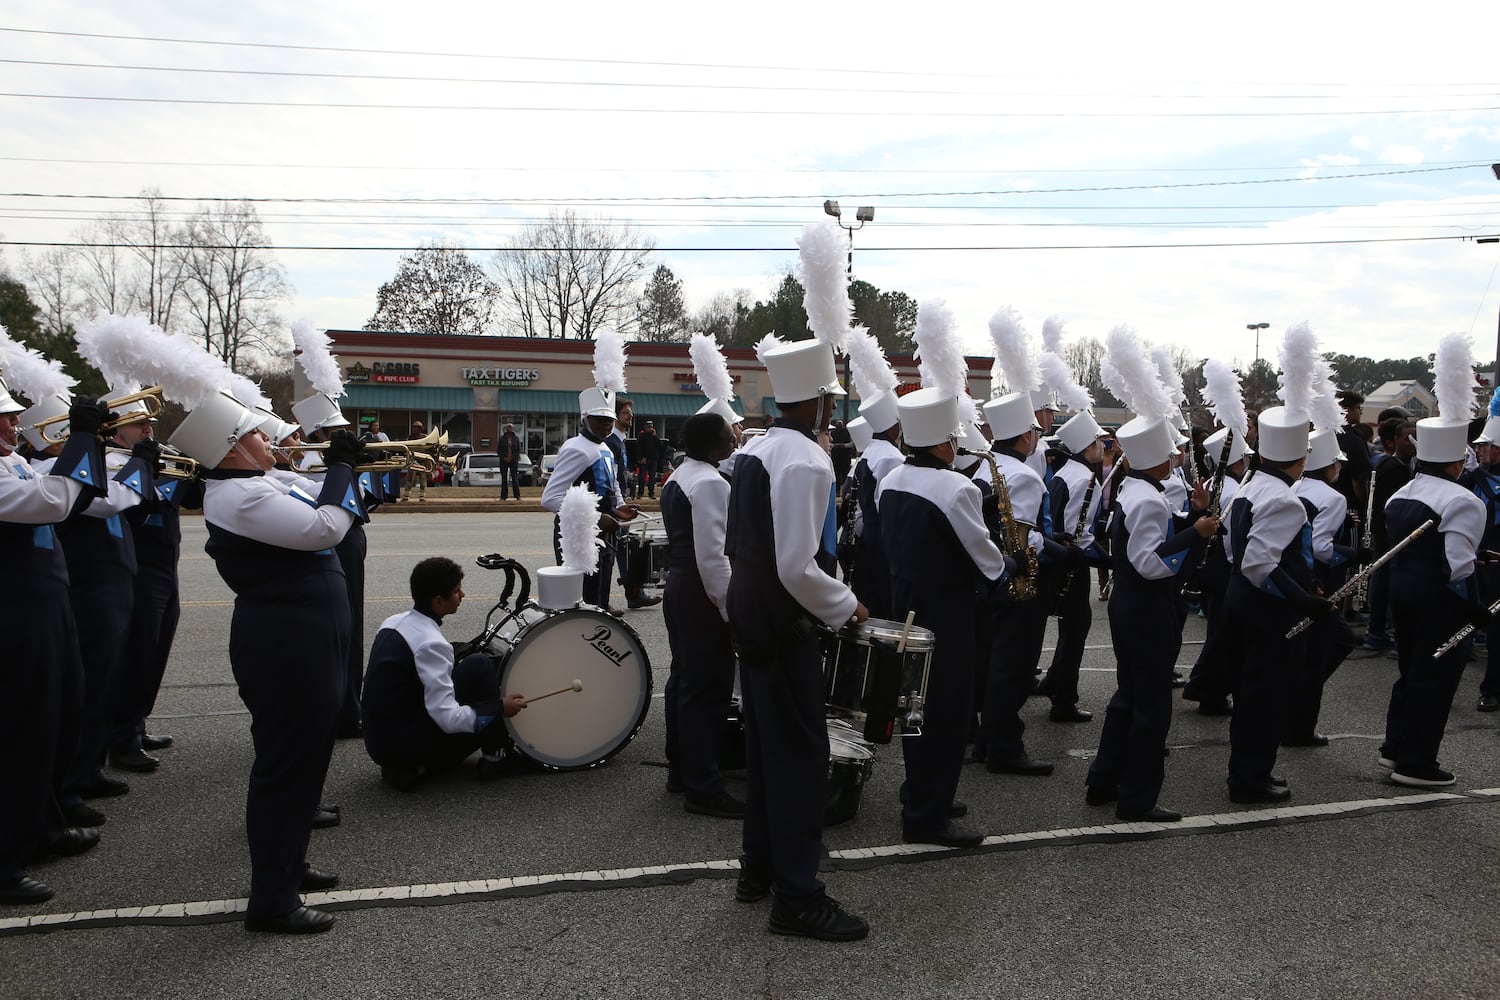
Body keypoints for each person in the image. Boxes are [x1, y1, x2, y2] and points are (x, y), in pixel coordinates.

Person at [173, 390, 365, 934]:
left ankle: (289, 865)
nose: (270, 441)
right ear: (233, 449)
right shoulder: (238, 499)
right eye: (258, 435)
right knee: (285, 765)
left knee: (305, 759)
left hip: (304, 633)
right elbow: (324, 527)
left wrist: (345, 465)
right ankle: (272, 899)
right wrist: (342, 466)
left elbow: (318, 493)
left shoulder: (260, 483)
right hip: (286, 641)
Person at [726, 337, 869, 942]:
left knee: (766, 754)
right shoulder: (807, 460)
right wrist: (847, 605)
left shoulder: (758, 451)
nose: (831, 410)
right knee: (800, 761)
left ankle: (758, 869)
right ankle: (798, 896)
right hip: (784, 628)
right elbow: (797, 566)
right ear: (816, 403)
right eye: (829, 401)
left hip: (753, 620)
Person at [877, 387, 1008, 847]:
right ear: (942, 442)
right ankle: (928, 817)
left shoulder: (890, 479)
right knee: (948, 715)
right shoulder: (956, 486)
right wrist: (1014, 564)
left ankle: (921, 794)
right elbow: (988, 563)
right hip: (948, 617)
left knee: (916, 709)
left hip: (905, 610)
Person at [0, 385, 109, 905]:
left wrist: (90, 441)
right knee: (20, 731)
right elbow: (55, 499)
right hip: (13, 613)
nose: (13, 428)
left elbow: (77, 489)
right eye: (3, 420)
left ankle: (40, 823)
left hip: (45, 604)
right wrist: (83, 435)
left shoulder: (15, 464)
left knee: (57, 717)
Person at [1086, 415, 1216, 822]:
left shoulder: (1136, 489)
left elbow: (1150, 541)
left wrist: (1187, 520)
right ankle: (1137, 798)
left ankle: (1104, 780)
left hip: (1133, 605)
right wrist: (1196, 532)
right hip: (1145, 608)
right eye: (1170, 453)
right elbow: (1150, 562)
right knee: (1151, 706)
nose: (1175, 458)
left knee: (1130, 697)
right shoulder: (1146, 498)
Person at [1222, 404, 1327, 805]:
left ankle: (1250, 770)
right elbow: (1259, 562)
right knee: (1266, 696)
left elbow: (1243, 554)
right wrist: (1302, 599)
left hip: (1245, 602)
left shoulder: (1250, 485)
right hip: (1268, 610)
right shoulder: (1285, 499)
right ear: (1302, 459)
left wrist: (1305, 582)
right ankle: (1250, 778)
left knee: (1253, 693)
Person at [1380, 416, 1486, 787]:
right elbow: (1457, 566)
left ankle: (1395, 746)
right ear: (1457, 463)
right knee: (1436, 680)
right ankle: (1416, 761)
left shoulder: (1401, 493)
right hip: (1440, 602)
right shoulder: (1463, 500)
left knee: (1410, 673)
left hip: (1403, 593)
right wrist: (1474, 608)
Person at [362, 557, 526, 789]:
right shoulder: (431, 644)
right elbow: (448, 719)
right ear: (439, 601)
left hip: (380, 742)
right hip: (401, 750)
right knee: (480, 665)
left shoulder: (393, 622)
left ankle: (407, 766)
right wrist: (500, 707)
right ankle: (496, 758)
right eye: (457, 591)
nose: (463, 596)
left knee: (475, 665)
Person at [660, 412, 741, 818]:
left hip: (680, 585)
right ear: (713, 446)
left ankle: (682, 769)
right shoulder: (710, 482)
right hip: (699, 591)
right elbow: (713, 556)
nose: (735, 441)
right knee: (707, 689)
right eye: (729, 437)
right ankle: (703, 787)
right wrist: (729, 609)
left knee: (685, 682)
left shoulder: (681, 474)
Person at [976, 390, 1058, 776]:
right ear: (1026, 437)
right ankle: (1005, 746)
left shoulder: (985, 466)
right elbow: (1022, 536)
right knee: (1015, 664)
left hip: (990, 574)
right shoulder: (1024, 475)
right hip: (1016, 576)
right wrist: (1053, 549)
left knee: (996, 660)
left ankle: (987, 739)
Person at [1286, 428, 1364, 746]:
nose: (1340, 469)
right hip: (1319, 581)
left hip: (1296, 578)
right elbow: (1321, 547)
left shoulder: (1294, 485)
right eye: (1337, 464)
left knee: (1311, 651)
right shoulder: (1333, 498)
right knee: (1321, 652)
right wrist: (1353, 554)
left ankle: (1293, 716)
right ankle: (1298, 726)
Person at [1037, 411, 1111, 723]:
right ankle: (1063, 700)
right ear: (1086, 446)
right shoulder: (1085, 479)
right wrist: (1110, 561)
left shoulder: (1066, 473)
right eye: (1098, 441)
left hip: (1059, 558)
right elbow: (1078, 535)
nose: (1102, 447)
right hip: (1070, 562)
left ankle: (1054, 682)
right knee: (1075, 629)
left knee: (1072, 627)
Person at [540, 386, 639, 613]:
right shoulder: (576, 449)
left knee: (601, 596)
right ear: (585, 418)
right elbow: (550, 498)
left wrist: (620, 507)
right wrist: (596, 518)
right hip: (579, 534)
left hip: (604, 530)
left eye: (609, 419)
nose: (606, 424)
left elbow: (612, 483)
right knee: (583, 600)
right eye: (599, 419)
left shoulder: (605, 447)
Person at [1181, 426, 1253, 715]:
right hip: (1224, 567)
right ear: (1237, 462)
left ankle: (1206, 687)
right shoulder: (1235, 491)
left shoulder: (1212, 483)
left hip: (1208, 567)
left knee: (1218, 629)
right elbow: (1232, 538)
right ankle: (1208, 690)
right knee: (1224, 632)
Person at [847, 391, 903, 621]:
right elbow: (887, 506)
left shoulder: (871, 450)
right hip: (881, 537)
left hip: (868, 534)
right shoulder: (891, 457)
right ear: (892, 426)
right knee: (881, 598)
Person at [1363, 418, 1417, 651]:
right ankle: (1379, 630)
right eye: (1408, 438)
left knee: (1381, 578)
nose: (1412, 443)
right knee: (1384, 580)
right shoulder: (1394, 468)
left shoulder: (1393, 465)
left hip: (1382, 530)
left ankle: (1377, 629)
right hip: (1388, 533)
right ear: (1394, 440)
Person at [1466, 406, 1500, 712]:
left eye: (1484, 445)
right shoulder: (1477, 475)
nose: (1477, 449)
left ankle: (1491, 688)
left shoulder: (1483, 476)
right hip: (1475, 558)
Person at [497, 423, 523, 501]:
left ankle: (517, 496)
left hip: (513, 461)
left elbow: (518, 450)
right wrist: (504, 458)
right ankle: (503, 496)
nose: (510, 429)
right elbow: (498, 450)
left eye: (511, 428)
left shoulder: (516, 439)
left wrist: (512, 457)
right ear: (506, 429)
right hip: (504, 460)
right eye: (508, 428)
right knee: (504, 479)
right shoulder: (502, 439)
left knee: (515, 478)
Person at [636, 420, 661, 500]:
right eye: (649, 427)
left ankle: (651, 493)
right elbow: (639, 448)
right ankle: (640, 493)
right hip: (645, 459)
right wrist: (640, 458)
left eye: (651, 427)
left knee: (652, 478)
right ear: (645, 428)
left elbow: (660, 445)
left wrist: (655, 436)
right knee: (642, 477)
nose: (650, 429)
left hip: (653, 459)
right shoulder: (642, 436)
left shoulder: (654, 437)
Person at [829, 418, 853, 487]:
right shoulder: (832, 433)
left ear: (843, 426)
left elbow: (852, 444)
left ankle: (845, 488)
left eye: (840, 426)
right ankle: (837, 489)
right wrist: (834, 446)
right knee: (836, 473)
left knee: (845, 473)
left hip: (845, 457)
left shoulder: (848, 433)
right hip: (835, 456)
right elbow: (829, 444)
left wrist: (844, 445)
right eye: (837, 427)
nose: (839, 428)